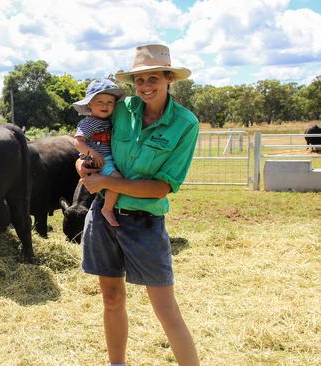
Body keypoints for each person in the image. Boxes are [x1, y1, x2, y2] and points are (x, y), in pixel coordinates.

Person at [77, 44, 200, 365]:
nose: (146, 86)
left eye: (154, 78)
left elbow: (161, 187)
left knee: (165, 308)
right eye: (140, 80)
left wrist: (107, 182)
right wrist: (83, 165)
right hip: (104, 218)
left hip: (145, 222)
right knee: (112, 299)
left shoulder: (185, 124)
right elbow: (90, 141)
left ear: (169, 78)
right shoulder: (121, 109)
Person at [72, 79, 124, 227]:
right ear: (89, 104)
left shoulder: (109, 121)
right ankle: (107, 209)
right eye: (100, 101)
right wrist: (93, 153)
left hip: (105, 158)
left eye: (110, 102)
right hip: (100, 160)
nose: (105, 105)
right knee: (117, 179)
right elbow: (77, 142)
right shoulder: (88, 122)